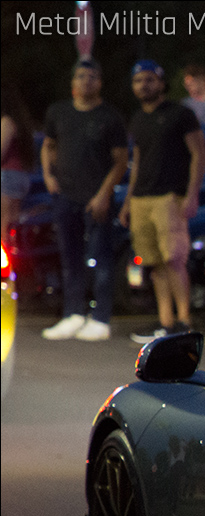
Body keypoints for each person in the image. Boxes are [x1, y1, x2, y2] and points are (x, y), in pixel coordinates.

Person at [39, 60, 127, 342]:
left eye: (92, 76)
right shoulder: (59, 112)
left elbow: (121, 161)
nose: (86, 81)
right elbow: (48, 145)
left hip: (97, 196)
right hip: (66, 196)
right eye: (81, 76)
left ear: (99, 82)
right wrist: (49, 176)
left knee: (101, 257)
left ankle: (100, 318)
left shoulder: (110, 117)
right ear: (73, 83)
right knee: (70, 257)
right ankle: (73, 314)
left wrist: (103, 194)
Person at [123, 60, 205, 345]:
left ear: (161, 82)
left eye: (149, 80)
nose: (143, 86)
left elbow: (199, 153)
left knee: (174, 259)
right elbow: (137, 163)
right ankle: (165, 321)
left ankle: (184, 320)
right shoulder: (137, 119)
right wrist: (127, 200)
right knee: (154, 263)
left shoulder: (180, 115)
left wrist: (192, 194)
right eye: (138, 81)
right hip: (141, 198)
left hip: (170, 196)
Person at [1, 86, 35, 249]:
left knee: (4, 226)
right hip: (19, 176)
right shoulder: (20, 124)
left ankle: (7, 268)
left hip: (7, 177)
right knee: (12, 224)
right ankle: (18, 263)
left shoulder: (6, 122)